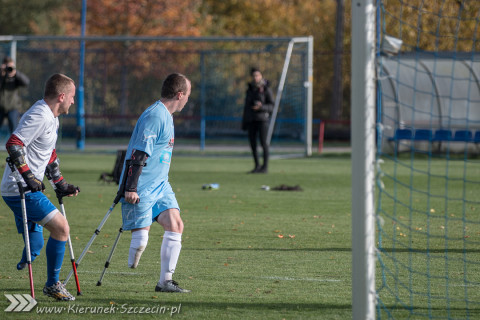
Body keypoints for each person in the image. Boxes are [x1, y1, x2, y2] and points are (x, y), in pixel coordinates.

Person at [1, 73, 80, 301]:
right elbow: (14, 143)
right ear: (62, 96)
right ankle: (53, 285)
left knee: (35, 246)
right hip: (20, 190)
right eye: (72, 97)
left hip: (26, 188)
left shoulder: (52, 117)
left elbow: (49, 153)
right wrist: (28, 177)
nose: (73, 102)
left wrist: (60, 184)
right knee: (62, 228)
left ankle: (28, 254)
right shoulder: (40, 115)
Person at [120, 73, 191, 293]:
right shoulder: (156, 116)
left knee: (176, 225)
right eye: (187, 94)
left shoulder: (167, 115)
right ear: (180, 94)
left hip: (161, 184)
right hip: (141, 184)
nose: (188, 99)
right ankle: (135, 261)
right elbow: (139, 153)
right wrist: (130, 187)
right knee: (140, 243)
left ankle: (165, 282)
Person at [242, 67, 274, 174]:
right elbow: (246, 107)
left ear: (261, 76)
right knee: (253, 144)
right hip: (251, 120)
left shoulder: (266, 89)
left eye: (258, 75)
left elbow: (272, 106)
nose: (256, 78)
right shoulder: (250, 89)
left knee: (264, 143)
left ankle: (265, 167)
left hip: (262, 120)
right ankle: (257, 166)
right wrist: (245, 121)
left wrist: (261, 107)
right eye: (254, 76)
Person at [0, 56, 30, 134]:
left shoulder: (16, 77)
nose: (8, 69)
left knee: (14, 131)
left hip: (13, 107)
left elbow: (26, 82)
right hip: (0, 107)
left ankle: (14, 146)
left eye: (10, 67)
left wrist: (15, 73)